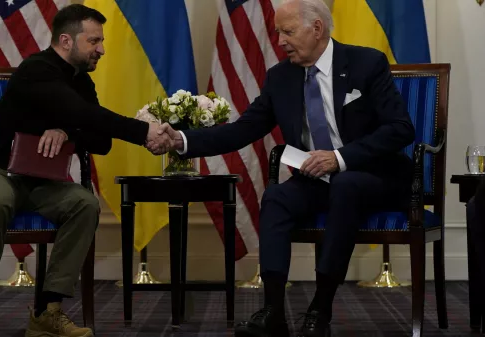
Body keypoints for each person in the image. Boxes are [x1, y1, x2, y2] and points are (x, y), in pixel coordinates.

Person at [153, 0, 415, 336]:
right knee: (276, 196)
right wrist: (182, 141)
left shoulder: (366, 63)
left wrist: (341, 157)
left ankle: (320, 308)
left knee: (346, 186)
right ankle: (273, 310)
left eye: (287, 31)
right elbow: (242, 129)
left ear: (316, 28)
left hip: (375, 175)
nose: (279, 41)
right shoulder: (281, 77)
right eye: (278, 32)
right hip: (319, 180)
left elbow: (400, 128)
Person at [0, 5, 169, 337]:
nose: (101, 49)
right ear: (65, 40)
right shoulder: (36, 70)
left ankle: (47, 311)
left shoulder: (82, 81)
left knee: (84, 204)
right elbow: (77, 111)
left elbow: (101, 141)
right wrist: (143, 132)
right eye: (94, 41)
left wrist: (66, 132)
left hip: (41, 183)